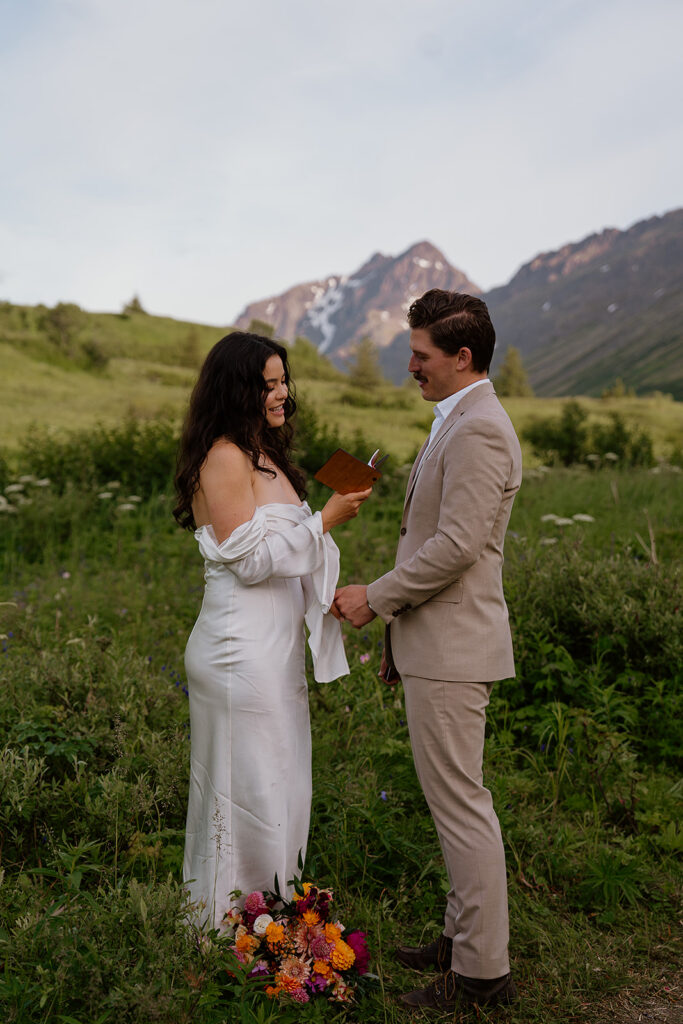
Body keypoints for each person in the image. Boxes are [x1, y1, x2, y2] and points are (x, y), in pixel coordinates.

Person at [334, 290, 522, 1011]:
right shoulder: (459, 420)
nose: (409, 366)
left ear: (462, 356)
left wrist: (374, 597)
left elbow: (455, 546)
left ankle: (480, 975)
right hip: (434, 643)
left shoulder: (478, 429)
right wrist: (397, 638)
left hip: (453, 650)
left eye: (420, 355)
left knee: (461, 806)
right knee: (454, 801)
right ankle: (459, 935)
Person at [173, 331, 371, 930]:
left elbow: (284, 556)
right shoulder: (225, 457)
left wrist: (324, 594)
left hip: (275, 651)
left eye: (284, 380)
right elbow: (250, 560)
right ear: (239, 390)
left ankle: (273, 914)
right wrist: (325, 520)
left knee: (281, 780)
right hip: (239, 650)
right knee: (245, 785)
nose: (282, 392)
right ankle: (227, 924)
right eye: (268, 384)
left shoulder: (267, 456)